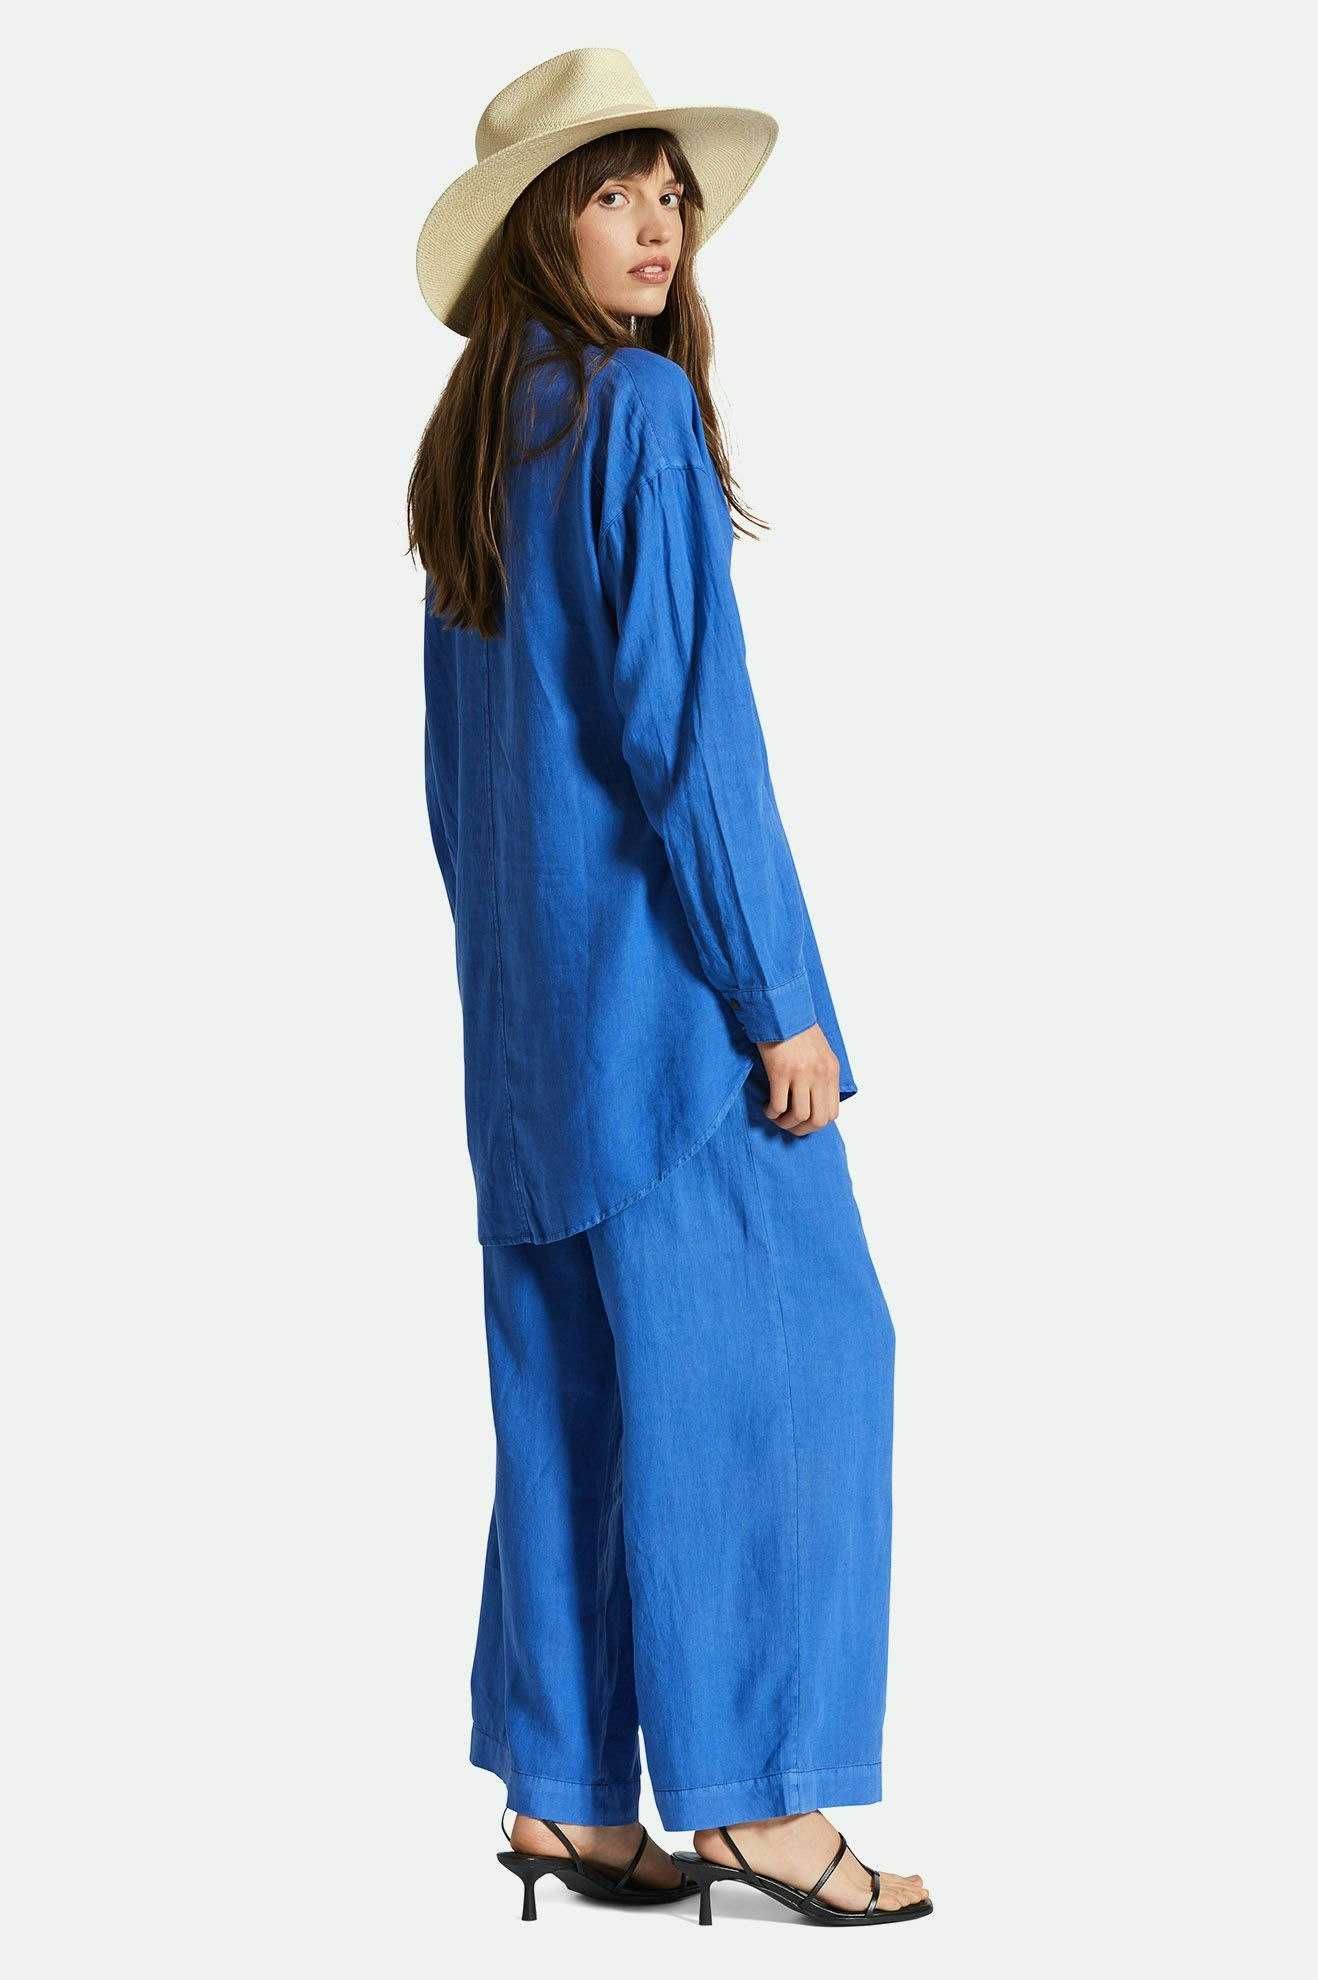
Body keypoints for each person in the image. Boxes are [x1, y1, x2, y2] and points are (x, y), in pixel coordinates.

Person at [407, 47, 932, 1927]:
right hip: (663, 1021)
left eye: (669, 194)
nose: (657, 226)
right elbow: (687, 743)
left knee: (577, 1401)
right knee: (801, 1363)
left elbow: (464, 781)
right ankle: (764, 1802)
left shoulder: (480, 441)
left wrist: (519, 1004)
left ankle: (563, 1796)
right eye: (613, 193)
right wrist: (777, 1000)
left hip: (530, 1034)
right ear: (539, 228)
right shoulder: (630, 411)